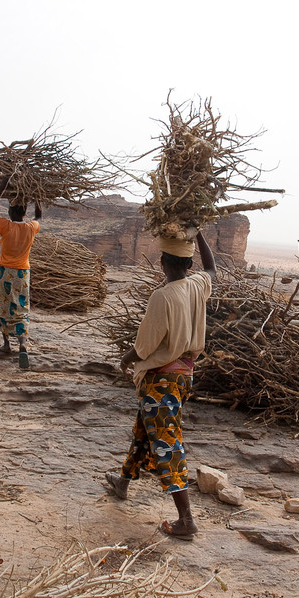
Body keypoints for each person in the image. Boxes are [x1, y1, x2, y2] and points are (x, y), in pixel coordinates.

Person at [105, 231, 216, 539]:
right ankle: (123, 482)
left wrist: (126, 359)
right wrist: (199, 234)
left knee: (167, 443)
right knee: (144, 428)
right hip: (183, 377)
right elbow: (212, 269)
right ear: (189, 262)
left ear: (163, 262)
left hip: (161, 379)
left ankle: (186, 520)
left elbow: (144, 347)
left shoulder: (163, 296)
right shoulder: (197, 285)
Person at [0, 176, 41, 369]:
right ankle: (23, 344)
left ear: (9, 211)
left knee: (3, 306)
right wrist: (38, 196)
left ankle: (7, 344)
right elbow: (39, 217)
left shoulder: (5, 226)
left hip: (4, 273)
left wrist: (1, 186)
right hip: (22, 274)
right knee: (21, 307)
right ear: (25, 212)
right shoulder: (31, 228)